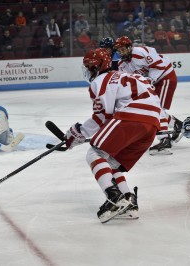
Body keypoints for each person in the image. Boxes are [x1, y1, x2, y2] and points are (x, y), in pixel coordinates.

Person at [64, 48, 162, 222]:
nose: (88, 71)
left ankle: (114, 198)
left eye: (89, 67)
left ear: (96, 68)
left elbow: (102, 116)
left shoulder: (101, 80)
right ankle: (128, 201)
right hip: (153, 123)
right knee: (110, 163)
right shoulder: (128, 75)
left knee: (95, 153)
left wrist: (78, 132)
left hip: (132, 117)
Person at [114, 36, 183, 155]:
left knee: (157, 109)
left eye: (123, 49)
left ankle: (165, 140)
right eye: (119, 51)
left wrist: (150, 80)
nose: (121, 52)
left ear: (130, 47)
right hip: (152, 82)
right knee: (150, 109)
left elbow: (159, 66)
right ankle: (176, 124)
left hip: (165, 77)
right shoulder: (122, 65)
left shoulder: (141, 52)